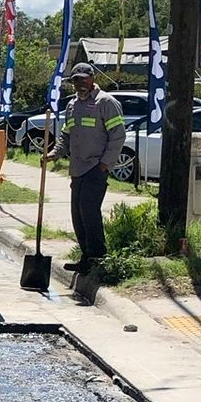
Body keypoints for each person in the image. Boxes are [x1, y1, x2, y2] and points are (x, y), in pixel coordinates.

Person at [52, 63, 125, 273]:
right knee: (77, 215)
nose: (80, 83)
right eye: (76, 80)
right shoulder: (72, 105)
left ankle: (99, 259)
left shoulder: (106, 103)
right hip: (77, 169)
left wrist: (104, 164)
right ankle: (86, 257)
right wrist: (54, 153)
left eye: (84, 78)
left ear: (92, 78)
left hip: (95, 167)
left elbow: (118, 137)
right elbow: (66, 135)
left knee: (89, 213)